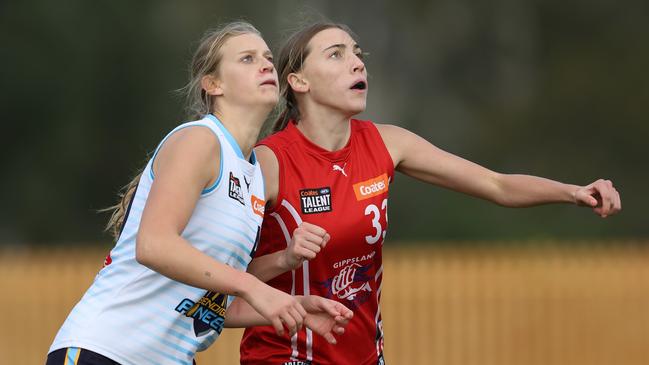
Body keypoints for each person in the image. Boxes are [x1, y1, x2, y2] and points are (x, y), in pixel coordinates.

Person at [239, 22, 622, 365]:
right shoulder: (270, 162)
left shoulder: (386, 143)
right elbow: (226, 281)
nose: (357, 64)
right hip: (283, 355)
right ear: (298, 81)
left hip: (363, 355)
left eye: (358, 54)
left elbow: (497, 184)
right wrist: (285, 258)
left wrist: (573, 191)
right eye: (336, 55)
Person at [46, 21, 352, 365]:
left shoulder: (252, 172)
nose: (267, 64)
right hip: (106, 350)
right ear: (213, 84)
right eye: (248, 59)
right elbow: (154, 245)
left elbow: (206, 303)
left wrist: (289, 295)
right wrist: (254, 288)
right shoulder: (200, 140)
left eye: (267, 56)